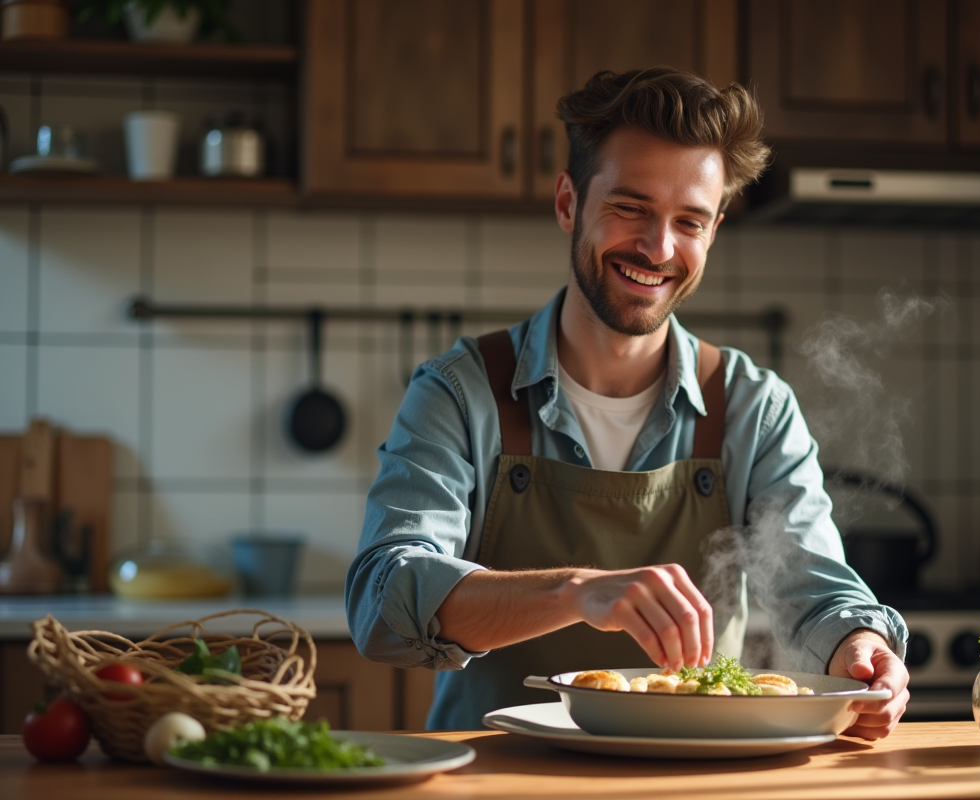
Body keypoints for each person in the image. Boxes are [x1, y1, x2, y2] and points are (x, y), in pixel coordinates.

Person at [346, 66, 910, 738]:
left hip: (696, 775)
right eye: (630, 207)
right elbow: (383, 604)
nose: (659, 248)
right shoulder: (460, 391)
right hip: (498, 778)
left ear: (714, 230)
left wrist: (857, 649)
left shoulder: (753, 406)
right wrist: (578, 593)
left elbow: (816, 590)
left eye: (689, 222)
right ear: (568, 203)